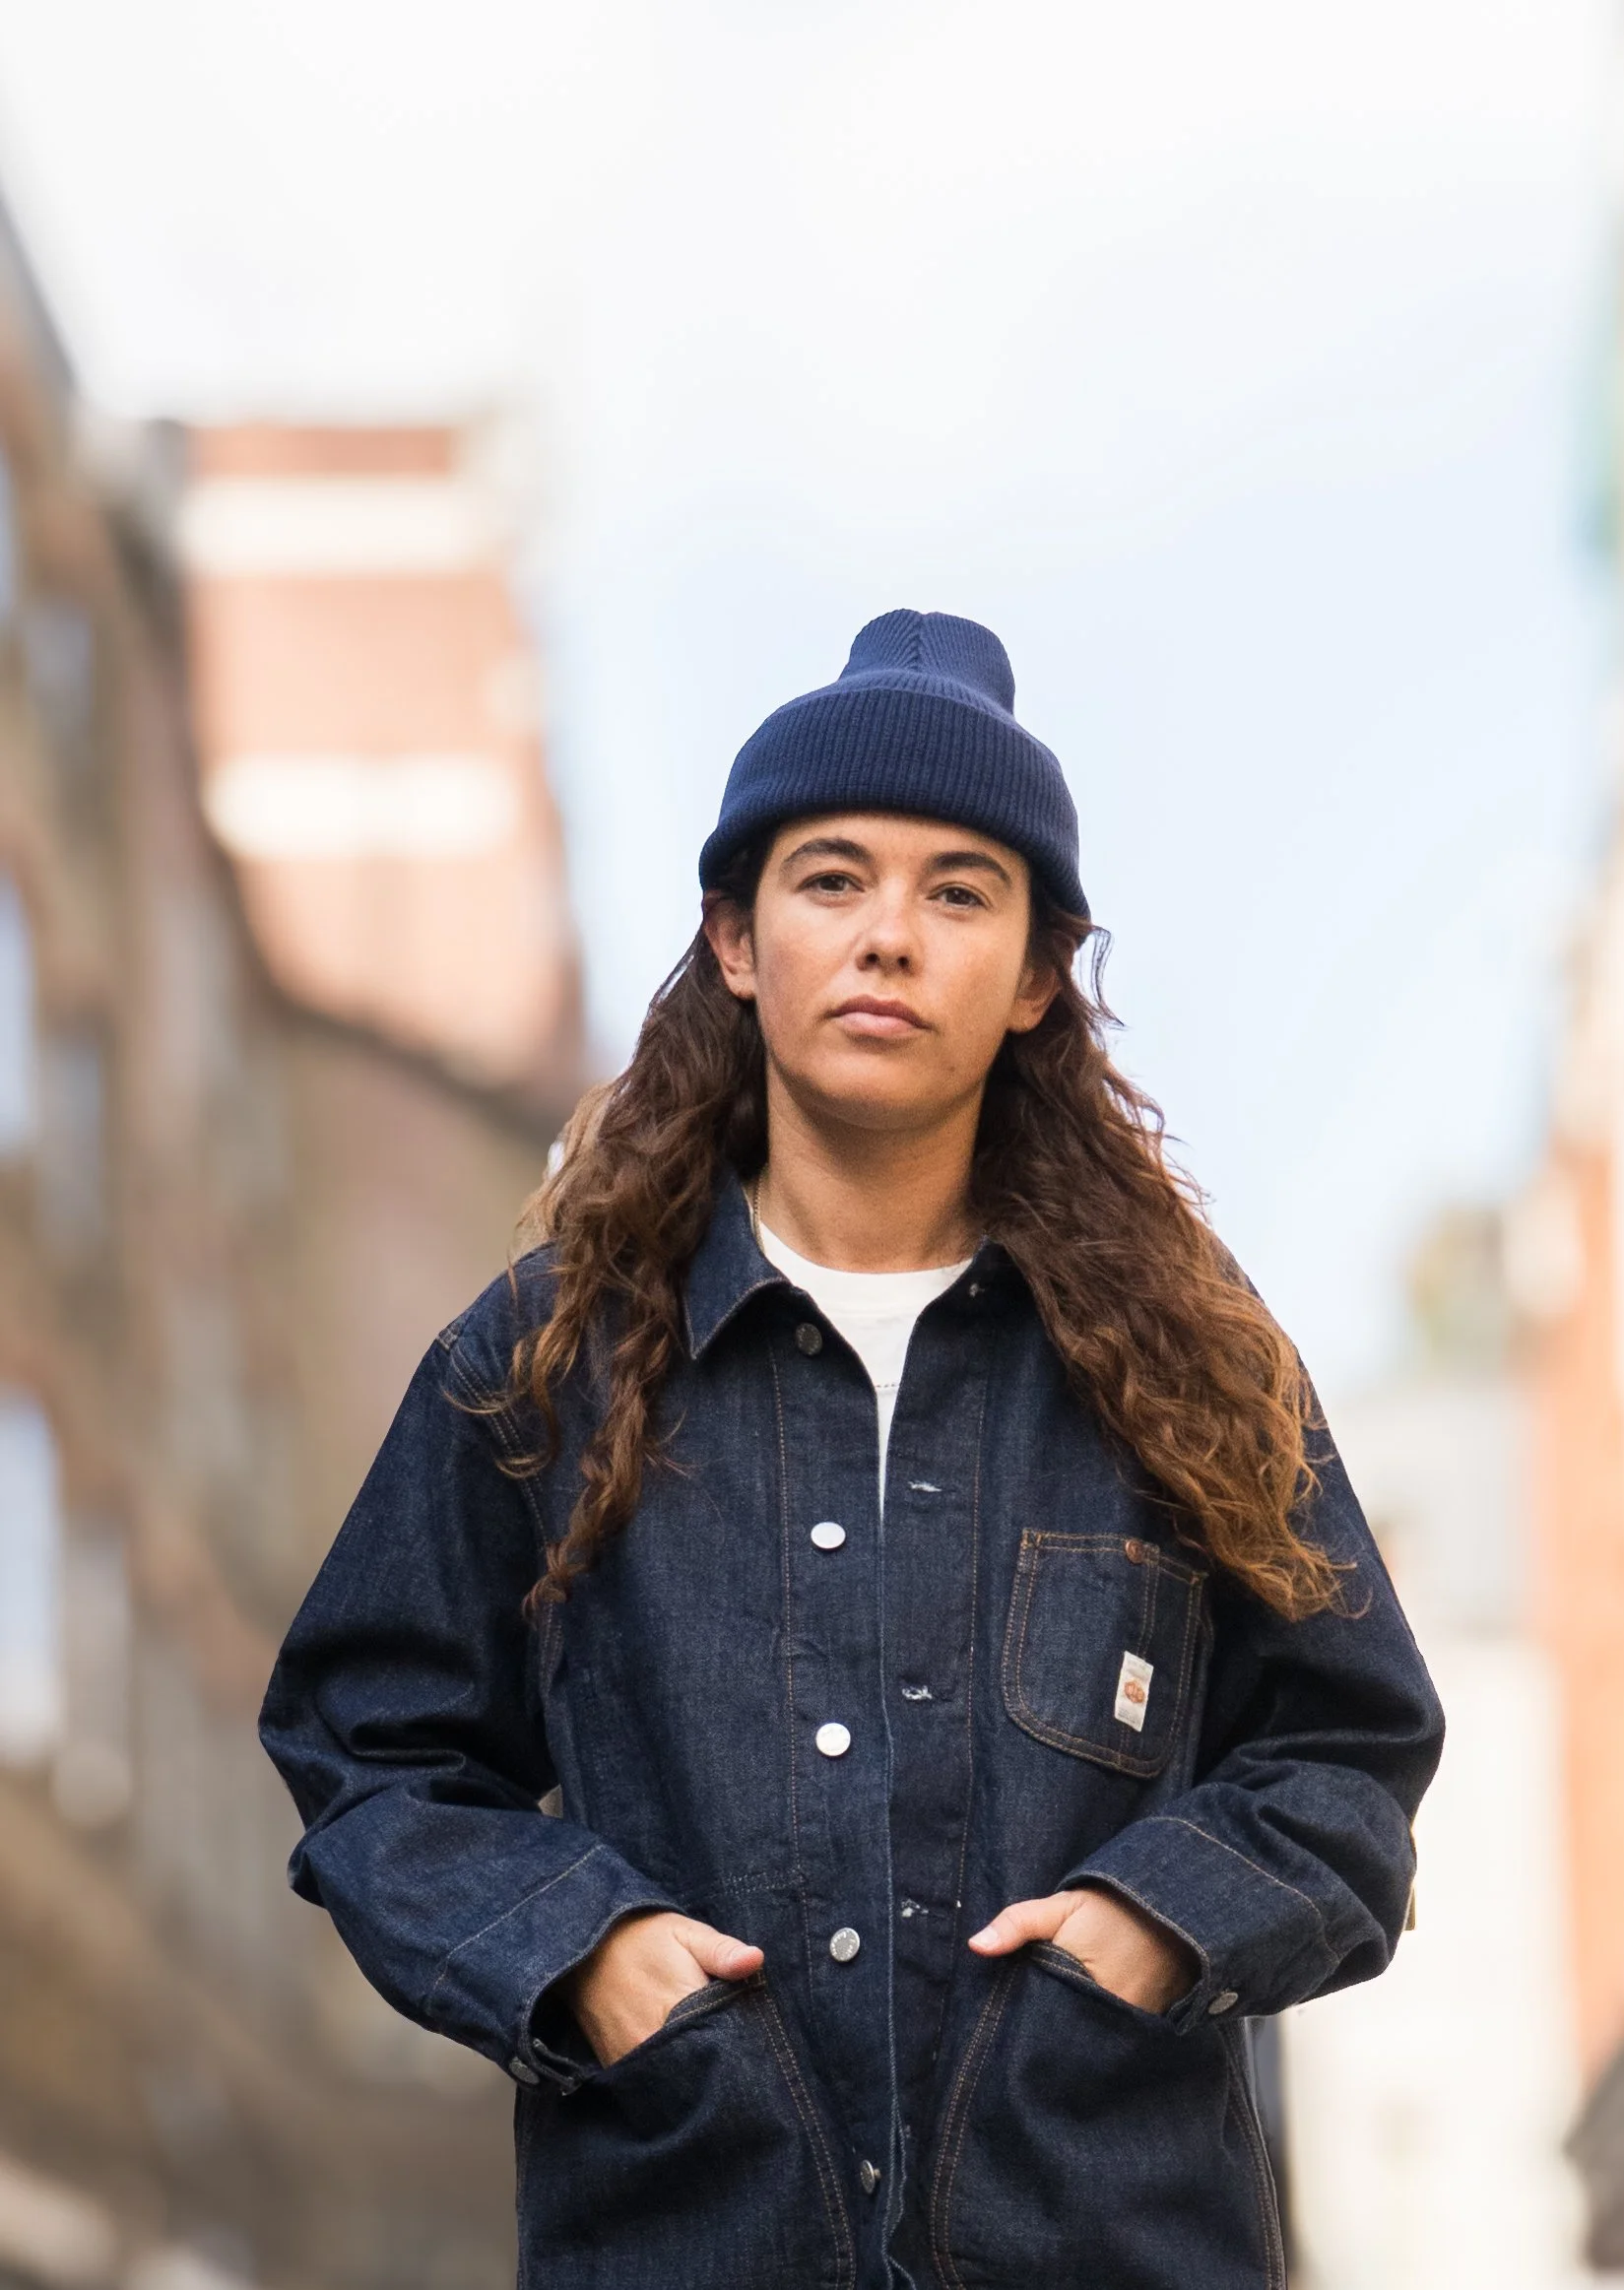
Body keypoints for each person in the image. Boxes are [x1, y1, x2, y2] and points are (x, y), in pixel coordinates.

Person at [259, 610, 1444, 2290]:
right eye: (832, 881)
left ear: (1037, 977)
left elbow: (1350, 1749)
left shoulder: (1193, 1368)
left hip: (1108, 2242)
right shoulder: (549, 1358)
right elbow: (365, 1746)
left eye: (961, 892)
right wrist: (584, 1953)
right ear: (737, 942)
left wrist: (1155, 1927)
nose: (890, 936)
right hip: (684, 2240)